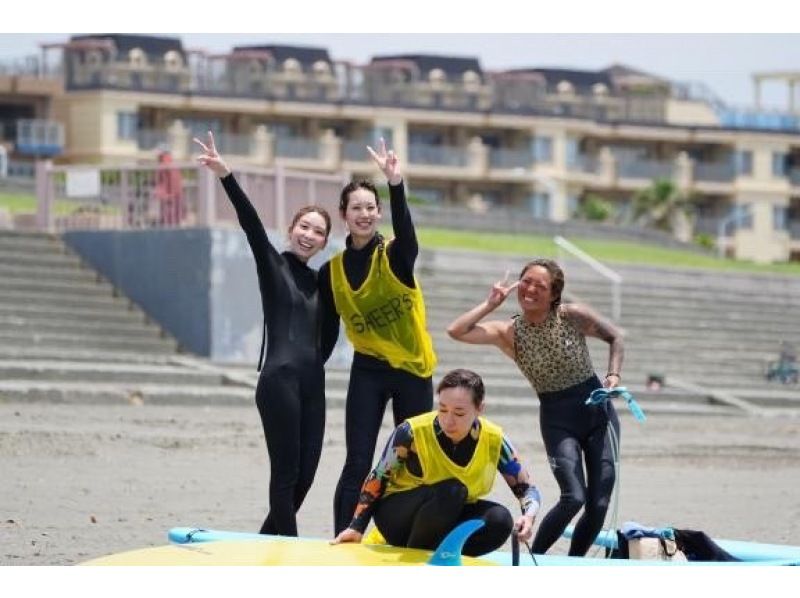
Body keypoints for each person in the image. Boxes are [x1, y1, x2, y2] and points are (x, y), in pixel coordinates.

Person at [194, 132, 335, 537]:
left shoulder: (323, 282)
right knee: (285, 476)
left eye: (318, 231)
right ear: (292, 230)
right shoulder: (273, 265)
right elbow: (251, 223)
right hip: (278, 382)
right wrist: (226, 176)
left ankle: (262, 545)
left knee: (306, 476)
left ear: (325, 242)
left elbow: (327, 337)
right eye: (303, 227)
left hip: (313, 384)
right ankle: (287, 554)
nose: (309, 235)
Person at [446, 258, 624, 556]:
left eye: (540, 286)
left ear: (554, 294)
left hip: (598, 413)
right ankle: (534, 561)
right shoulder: (509, 332)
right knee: (573, 497)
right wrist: (491, 304)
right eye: (525, 281)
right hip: (558, 419)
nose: (530, 289)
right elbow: (456, 330)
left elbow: (615, 337)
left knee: (599, 503)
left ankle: (574, 565)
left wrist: (613, 376)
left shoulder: (571, 315)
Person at [318, 139, 437, 535]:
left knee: (414, 458)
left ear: (379, 212)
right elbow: (325, 334)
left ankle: (408, 535)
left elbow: (405, 228)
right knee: (358, 460)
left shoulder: (398, 255)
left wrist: (395, 182)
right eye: (357, 208)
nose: (365, 214)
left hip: (413, 370)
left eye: (371, 207)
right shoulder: (331, 271)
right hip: (368, 369)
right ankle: (344, 535)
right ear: (344, 215)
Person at [331, 368, 541, 557]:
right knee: (452, 491)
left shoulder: (494, 439)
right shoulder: (411, 432)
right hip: (397, 517)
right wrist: (356, 526)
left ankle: (443, 556)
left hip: (447, 516)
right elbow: (378, 477)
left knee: (500, 520)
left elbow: (526, 489)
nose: (448, 420)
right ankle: (416, 560)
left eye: (459, 413)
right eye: (442, 409)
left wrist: (528, 517)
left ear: (479, 409)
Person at [153, 149, 185, 226]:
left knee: (170, 217)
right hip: (172, 195)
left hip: (170, 196)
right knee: (171, 216)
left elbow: (169, 181)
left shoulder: (166, 166)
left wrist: (165, 193)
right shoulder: (170, 165)